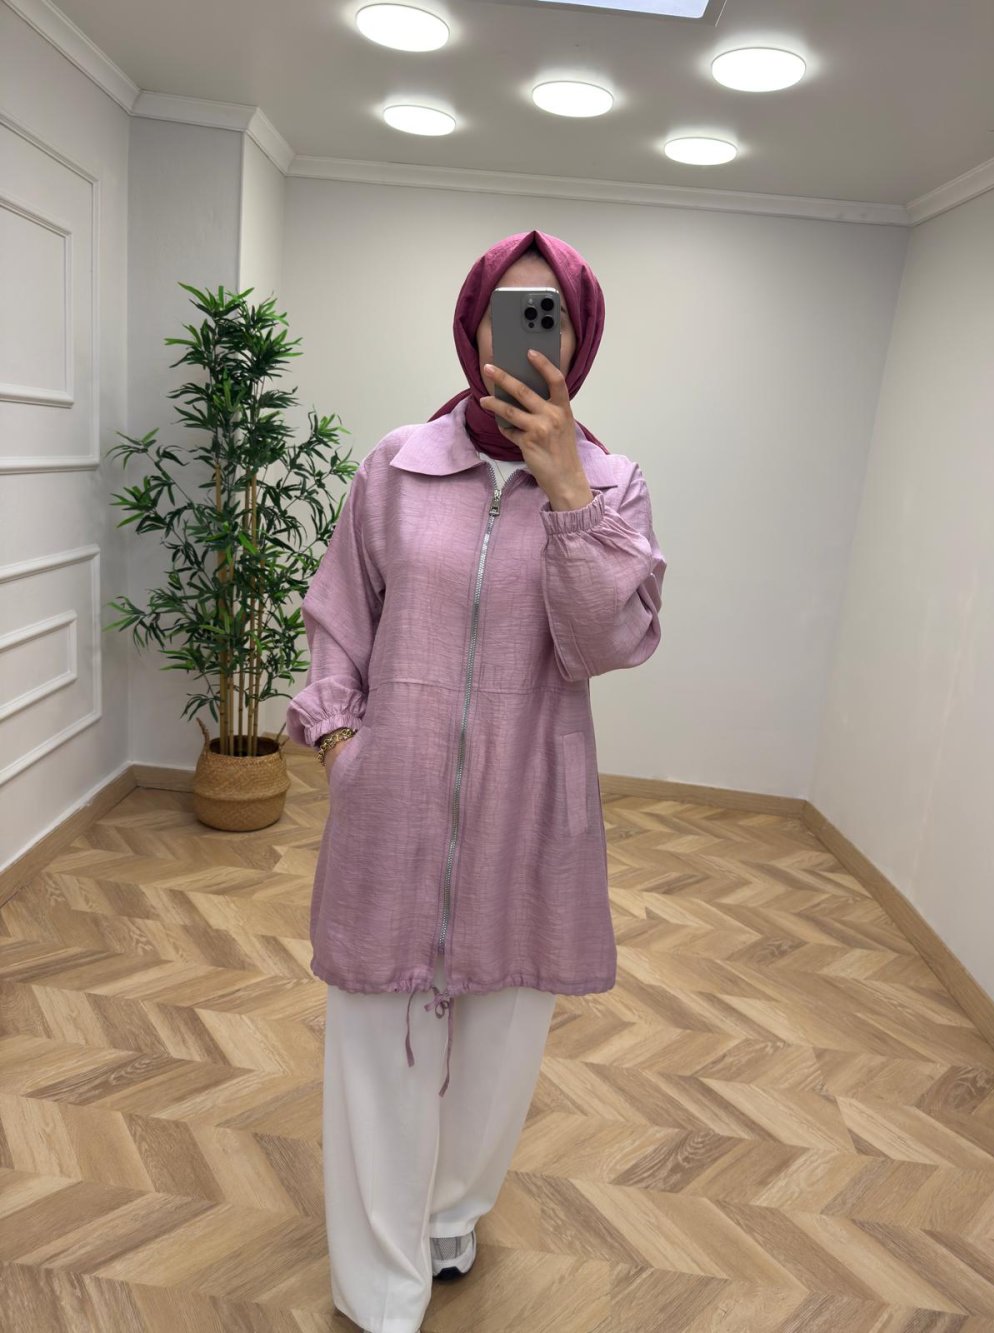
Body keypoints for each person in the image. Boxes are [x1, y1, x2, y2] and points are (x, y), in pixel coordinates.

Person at [285, 229, 667, 1333]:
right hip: (390, 801)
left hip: (531, 809)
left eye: (550, 315)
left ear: (581, 337)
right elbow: (338, 615)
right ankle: (379, 1290)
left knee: (500, 1050)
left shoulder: (615, 483)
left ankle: (450, 1215)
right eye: (508, 308)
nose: (526, 334)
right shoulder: (397, 464)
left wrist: (568, 492)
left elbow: (604, 644)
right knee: (375, 1049)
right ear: (471, 323)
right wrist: (341, 744)